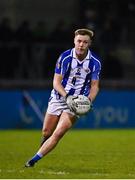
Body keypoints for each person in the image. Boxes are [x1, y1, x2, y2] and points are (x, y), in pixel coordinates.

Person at [25, 28, 101, 167]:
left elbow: (95, 86)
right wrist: (67, 97)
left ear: (89, 43)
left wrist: (88, 100)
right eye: (79, 41)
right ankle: (41, 150)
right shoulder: (65, 57)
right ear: (74, 41)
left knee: (59, 132)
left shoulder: (95, 62)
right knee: (46, 132)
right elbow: (56, 82)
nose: (81, 45)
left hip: (76, 102)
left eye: (85, 42)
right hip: (59, 97)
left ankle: (33, 161)